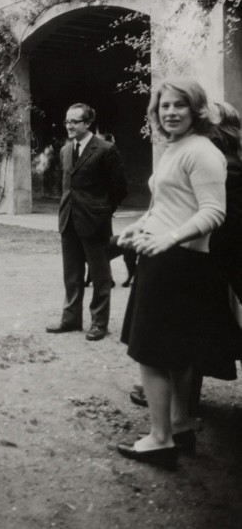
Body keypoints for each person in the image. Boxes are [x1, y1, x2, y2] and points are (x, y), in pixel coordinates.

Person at [116, 78, 226, 470]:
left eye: (179, 105)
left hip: (177, 263)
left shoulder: (202, 151)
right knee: (177, 354)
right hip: (163, 257)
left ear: (196, 110)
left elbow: (213, 211)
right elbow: (167, 203)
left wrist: (168, 240)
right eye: (164, 106)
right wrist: (140, 225)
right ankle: (180, 424)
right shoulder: (174, 148)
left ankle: (160, 439)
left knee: (151, 353)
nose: (170, 112)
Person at [46, 103, 127, 341]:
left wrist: (102, 210)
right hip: (68, 220)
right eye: (67, 121)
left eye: (74, 121)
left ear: (88, 123)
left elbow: (120, 188)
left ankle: (99, 323)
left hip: (95, 221)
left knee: (100, 275)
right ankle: (70, 320)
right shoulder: (65, 150)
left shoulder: (106, 150)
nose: (69, 126)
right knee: (71, 274)